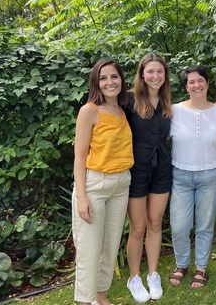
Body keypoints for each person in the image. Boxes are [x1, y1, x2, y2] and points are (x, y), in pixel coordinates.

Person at [72, 59, 134, 305]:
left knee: (110, 247)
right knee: (89, 250)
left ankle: (100, 296)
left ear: (121, 80)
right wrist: (82, 196)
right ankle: (85, 301)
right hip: (95, 185)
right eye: (104, 78)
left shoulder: (122, 109)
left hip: (121, 185)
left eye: (114, 77)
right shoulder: (89, 111)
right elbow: (79, 155)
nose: (110, 82)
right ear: (96, 83)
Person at [168, 66, 216, 289]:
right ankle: (182, 263)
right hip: (181, 175)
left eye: (200, 80)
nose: (196, 85)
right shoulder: (173, 111)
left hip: (211, 174)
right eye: (191, 82)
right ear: (186, 86)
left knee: (205, 225)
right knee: (179, 226)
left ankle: (201, 267)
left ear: (207, 84)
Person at [124, 54, 172, 302]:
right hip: (136, 168)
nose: (156, 76)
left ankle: (153, 273)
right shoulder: (129, 100)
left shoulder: (167, 102)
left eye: (160, 72)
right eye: (151, 71)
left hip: (162, 166)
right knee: (138, 227)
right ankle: (134, 277)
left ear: (165, 75)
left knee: (155, 223)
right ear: (142, 74)